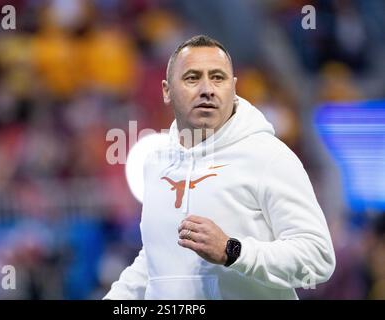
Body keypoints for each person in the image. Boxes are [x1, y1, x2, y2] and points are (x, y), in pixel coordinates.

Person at [104, 35, 336, 300]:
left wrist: (233, 251)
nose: (207, 89)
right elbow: (158, 259)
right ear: (167, 90)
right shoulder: (156, 163)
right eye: (192, 78)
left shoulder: (268, 156)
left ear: (233, 87)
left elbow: (318, 257)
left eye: (218, 77)